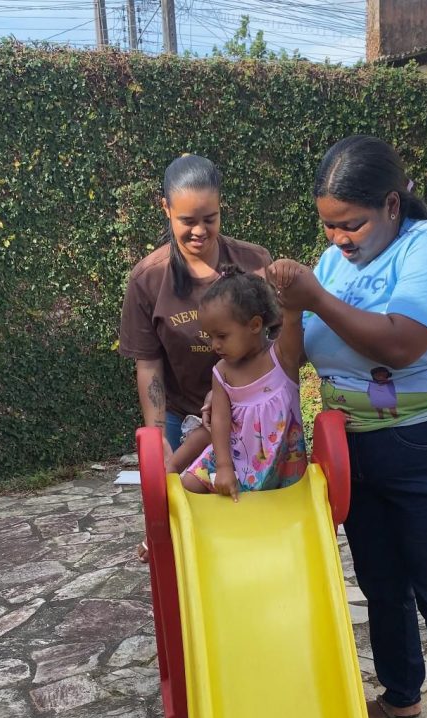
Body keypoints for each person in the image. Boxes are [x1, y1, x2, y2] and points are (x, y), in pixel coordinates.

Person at [268, 135, 427, 718]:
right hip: (355, 449)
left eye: (352, 224)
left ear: (392, 205)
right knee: (381, 584)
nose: (338, 239)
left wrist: (314, 296)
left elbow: (400, 345)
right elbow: (291, 359)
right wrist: (290, 310)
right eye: (328, 226)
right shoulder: (330, 265)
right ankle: (400, 694)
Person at [119, 154, 272, 556]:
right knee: (178, 519)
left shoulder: (254, 263)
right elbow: (148, 363)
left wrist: (236, 389)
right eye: (188, 220)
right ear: (166, 208)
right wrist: (158, 437)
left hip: (249, 412)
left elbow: (275, 340)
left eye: (210, 218)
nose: (200, 231)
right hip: (180, 415)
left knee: (246, 518)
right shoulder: (149, 278)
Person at [184, 265, 307, 499]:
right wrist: (223, 466)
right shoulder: (222, 372)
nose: (214, 345)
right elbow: (220, 420)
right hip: (234, 458)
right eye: (210, 337)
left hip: (281, 463)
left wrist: (290, 290)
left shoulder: (282, 358)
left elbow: (292, 319)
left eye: (222, 336)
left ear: (255, 325)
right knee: (188, 485)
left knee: (284, 505)